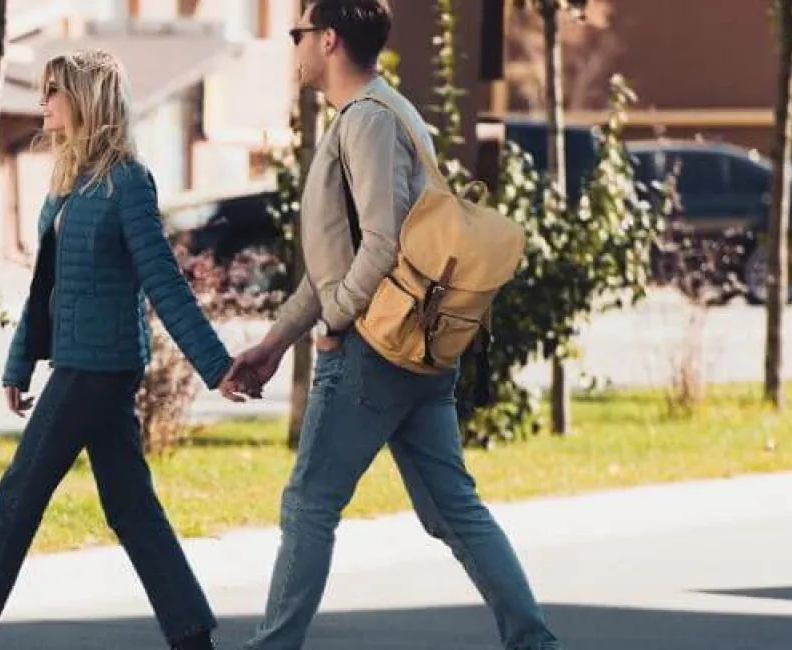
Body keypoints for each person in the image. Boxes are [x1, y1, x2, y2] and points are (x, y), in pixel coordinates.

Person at [224, 2, 565, 649]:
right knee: (452, 512)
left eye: (296, 34)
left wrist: (332, 324)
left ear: (327, 40)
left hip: (372, 352)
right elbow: (335, 262)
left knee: (308, 505)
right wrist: (277, 342)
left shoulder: (368, 121)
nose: (291, 47)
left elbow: (379, 245)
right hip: (412, 349)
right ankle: (534, 643)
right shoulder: (390, 113)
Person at [0, 49, 249, 650]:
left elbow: (164, 281)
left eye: (53, 91)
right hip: (78, 363)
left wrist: (218, 366)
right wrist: (19, 364)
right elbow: (45, 288)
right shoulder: (67, 186)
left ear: (85, 100)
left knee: (19, 490)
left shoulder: (127, 182)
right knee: (130, 506)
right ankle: (191, 634)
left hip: (98, 369)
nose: (43, 102)